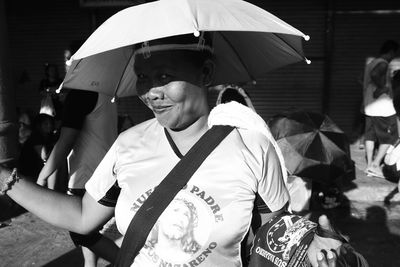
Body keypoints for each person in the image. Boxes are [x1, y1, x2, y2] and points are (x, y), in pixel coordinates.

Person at [1, 33, 347, 267]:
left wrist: (313, 247)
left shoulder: (251, 145)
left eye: (164, 76)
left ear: (207, 72)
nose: (150, 92)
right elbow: (80, 216)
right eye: (142, 77)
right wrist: (5, 178)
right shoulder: (128, 145)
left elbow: (275, 237)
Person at [36, 88, 119, 266]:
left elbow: (66, 141)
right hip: (107, 170)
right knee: (88, 230)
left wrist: (43, 176)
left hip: (86, 175)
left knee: (79, 230)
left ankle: (126, 262)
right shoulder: (107, 92)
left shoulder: (81, 93)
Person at [363, 40, 399, 178]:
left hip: (369, 106)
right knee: (392, 136)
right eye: (394, 53)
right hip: (383, 108)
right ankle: (376, 165)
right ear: (391, 51)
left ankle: (369, 165)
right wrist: (382, 88)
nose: (393, 57)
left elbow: (362, 79)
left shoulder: (371, 63)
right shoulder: (383, 63)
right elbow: (375, 75)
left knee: (370, 136)